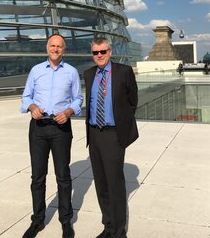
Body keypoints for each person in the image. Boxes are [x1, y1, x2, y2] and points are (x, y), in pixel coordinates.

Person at [20, 34, 83, 238]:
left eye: (59, 46)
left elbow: (78, 98)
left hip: (61, 129)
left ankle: (66, 221)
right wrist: (31, 107)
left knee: (63, 177)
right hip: (38, 127)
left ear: (63, 50)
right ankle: (37, 220)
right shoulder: (36, 70)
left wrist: (68, 112)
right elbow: (26, 96)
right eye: (52, 46)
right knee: (37, 177)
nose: (55, 49)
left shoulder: (71, 72)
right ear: (47, 47)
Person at [84, 37, 139, 238]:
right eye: (95, 53)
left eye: (103, 51)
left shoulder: (123, 72)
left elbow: (132, 100)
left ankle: (118, 232)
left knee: (115, 183)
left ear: (110, 52)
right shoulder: (89, 74)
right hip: (94, 134)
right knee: (101, 184)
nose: (99, 55)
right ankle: (108, 226)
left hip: (113, 135)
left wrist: (121, 125)